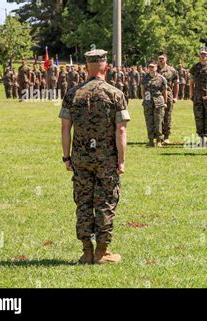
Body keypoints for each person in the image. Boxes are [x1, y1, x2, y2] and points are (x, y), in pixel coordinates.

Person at [59, 49, 130, 265]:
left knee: (83, 202)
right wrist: (121, 160)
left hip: (80, 158)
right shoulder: (115, 94)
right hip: (106, 159)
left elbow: (65, 129)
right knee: (106, 202)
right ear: (105, 67)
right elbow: (120, 131)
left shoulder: (73, 93)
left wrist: (66, 157)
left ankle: (86, 251)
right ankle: (102, 252)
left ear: (86, 67)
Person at [189, 48, 207, 148]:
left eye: (205, 54)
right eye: (201, 54)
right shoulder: (195, 67)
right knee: (198, 117)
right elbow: (191, 82)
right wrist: (191, 94)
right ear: (199, 56)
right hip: (197, 96)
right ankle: (201, 140)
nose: (203, 56)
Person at [141, 61, 167, 147]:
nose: (151, 68)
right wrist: (144, 99)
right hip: (148, 102)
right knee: (149, 121)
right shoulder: (145, 78)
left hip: (158, 102)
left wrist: (165, 102)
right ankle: (151, 140)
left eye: (153, 67)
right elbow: (143, 89)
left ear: (156, 68)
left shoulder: (161, 78)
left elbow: (164, 91)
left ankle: (159, 140)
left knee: (158, 121)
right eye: (149, 67)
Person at [157, 52, 179, 144]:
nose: (161, 60)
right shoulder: (154, 69)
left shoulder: (172, 70)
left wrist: (176, 96)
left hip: (168, 94)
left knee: (167, 116)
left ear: (166, 59)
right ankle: (158, 136)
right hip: (157, 95)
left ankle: (166, 136)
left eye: (162, 58)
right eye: (159, 58)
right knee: (157, 116)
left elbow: (176, 84)